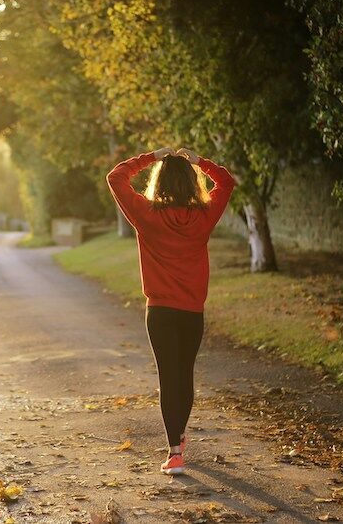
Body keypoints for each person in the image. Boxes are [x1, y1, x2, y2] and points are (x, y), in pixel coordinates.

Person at [106, 146, 236, 476]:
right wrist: (200, 162)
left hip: (160, 312)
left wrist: (151, 156)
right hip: (192, 311)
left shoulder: (146, 214)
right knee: (185, 374)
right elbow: (227, 182)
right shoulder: (204, 216)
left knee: (169, 377)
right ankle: (178, 437)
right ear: (192, 184)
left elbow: (116, 177)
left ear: (159, 182)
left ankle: (175, 451)